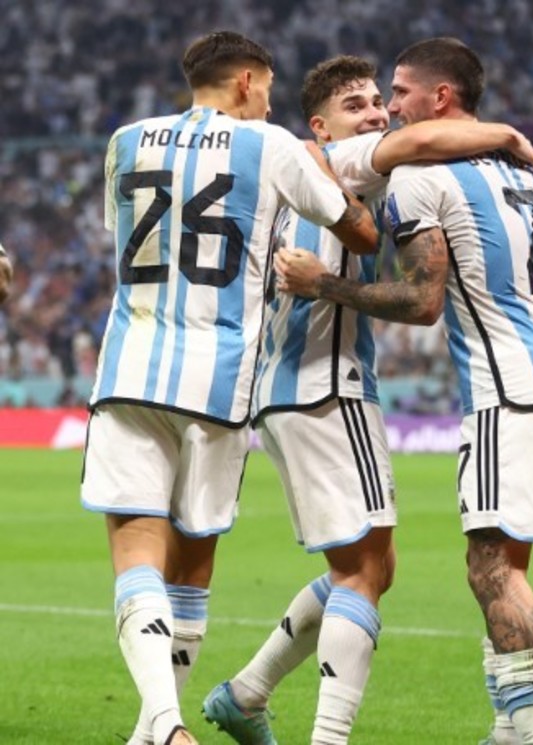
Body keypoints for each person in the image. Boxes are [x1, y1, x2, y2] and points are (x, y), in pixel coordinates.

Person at [203, 54, 533, 745]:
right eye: (357, 105)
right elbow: (421, 140)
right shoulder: (333, 158)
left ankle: (246, 693)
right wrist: (504, 134)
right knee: (362, 571)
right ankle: (326, 737)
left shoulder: (271, 170)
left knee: (368, 564)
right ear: (321, 124)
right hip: (326, 383)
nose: (377, 114)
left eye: (378, 102)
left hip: (289, 384)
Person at [276, 37, 533, 745]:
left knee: (491, 566)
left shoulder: (421, 176)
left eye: (398, 95)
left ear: (439, 100)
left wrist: (322, 282)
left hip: (508, 385)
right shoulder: (513, 169)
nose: (389, 110)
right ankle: (510, 727)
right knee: (505, 559)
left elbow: (423, 300)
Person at [80, 31, 379, 745]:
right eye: (269, 87)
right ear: (246, 81)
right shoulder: (271, 145)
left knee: (137, 553)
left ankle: (158, 725)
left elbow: (120, 239)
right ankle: (162, 726)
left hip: (129, 370)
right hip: (219, 381)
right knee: (192, 563)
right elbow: (360, 234)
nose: (271, 100)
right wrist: (324, 175)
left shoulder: (124, 141)